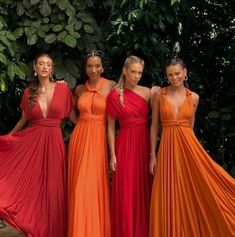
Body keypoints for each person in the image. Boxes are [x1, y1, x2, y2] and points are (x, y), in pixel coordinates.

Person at [149, 58, 235, 237]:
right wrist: (153, 155)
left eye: (177, 73)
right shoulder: (159, 95)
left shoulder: (194, 97)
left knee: (196, 185)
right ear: (166, 76)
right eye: (170, 75)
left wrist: (193, 154)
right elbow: (154, 126)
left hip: (188, 146)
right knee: (168, 192)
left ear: (185, 72)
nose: (174, 78)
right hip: (166, 147)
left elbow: (191, 127)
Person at [0, 53, 75, 237]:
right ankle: (35, 227)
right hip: (32, 144)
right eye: (41, 63)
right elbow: (23, 120)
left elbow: (74, 119)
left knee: (53, 187)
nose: (44, 67)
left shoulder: (64, 90)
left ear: (52, 68)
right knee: (33, 186)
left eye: (48, 64)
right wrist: (9, 139)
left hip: (54, 141)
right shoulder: (28, 92)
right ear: (35, 67)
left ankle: (54, 230)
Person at [67, 50, 116, 237]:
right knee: (79, 187)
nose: (93, 69)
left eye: (97, 65)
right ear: (85, 68)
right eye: (89, 66)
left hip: (98, 139)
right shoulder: (79, 89)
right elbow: (69, 112)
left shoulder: (111, 85)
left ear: (103, 66)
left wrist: (153, 91)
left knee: (93, 186)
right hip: (80, 138)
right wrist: (79, 122)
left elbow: (130, 95)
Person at [107, 55, 153, 237]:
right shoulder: (114, 95)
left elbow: (156, 121)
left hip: (143, 143)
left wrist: (152, 153)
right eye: (133, 71)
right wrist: (112, 154)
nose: (136, 76)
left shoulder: (149, 92)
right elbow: (110, 128)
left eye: (140, 72)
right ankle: (125, 231)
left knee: (143, 187)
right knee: (126, 188)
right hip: (124, 145)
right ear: (125, 71)